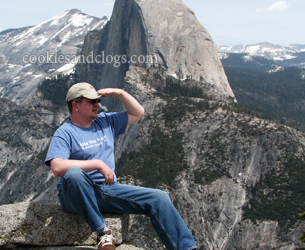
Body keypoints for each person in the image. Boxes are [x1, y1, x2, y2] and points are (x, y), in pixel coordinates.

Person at [45, 82, 197, 250]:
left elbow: (138, 112)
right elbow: (57, 167)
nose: (97, 104)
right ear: (76, 105)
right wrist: (97, 164)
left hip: (105, 189)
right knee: (74, 174)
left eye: (98, 100)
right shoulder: (65, 132)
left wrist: (120, 93)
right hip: (74, 194)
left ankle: (186, 248)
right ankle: (103, 233)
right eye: (91, 101)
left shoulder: (105, 121)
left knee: (159, 198)